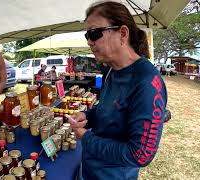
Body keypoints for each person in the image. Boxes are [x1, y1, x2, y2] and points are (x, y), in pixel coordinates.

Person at [69, 2, 167, 180]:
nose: (89, 41)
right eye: (87, 35)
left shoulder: (146, 82)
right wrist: (88, 117)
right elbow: (108, 110)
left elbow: (141, 154)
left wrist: (86, 138)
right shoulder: (110, 70)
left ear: (122, 33)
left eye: (94, 33)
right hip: (90, 169)